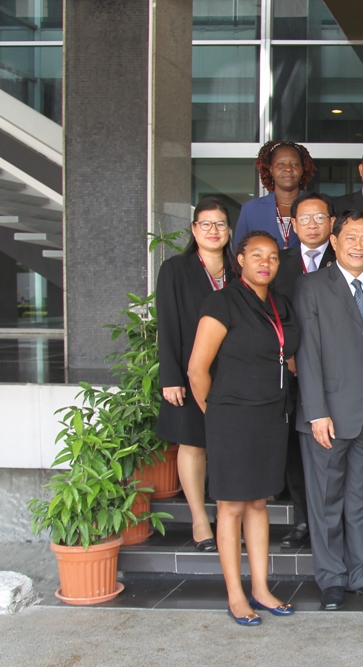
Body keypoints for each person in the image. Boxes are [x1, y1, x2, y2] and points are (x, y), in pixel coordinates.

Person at [188, 230, 300, 626]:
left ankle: (261, 589)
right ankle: (236, 595)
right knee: (232, 506)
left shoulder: (279, 304)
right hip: (232, 417)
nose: (265, 263)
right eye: (257, 255)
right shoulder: (223, 302)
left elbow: (288, 355)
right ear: (240, 259)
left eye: (272, 257)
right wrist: (217, 414)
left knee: (258, 504)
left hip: (270, 416)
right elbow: (197, 370)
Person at [293, 209, 363, 611]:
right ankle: (332, 578)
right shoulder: (312, 285)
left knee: (362, 498)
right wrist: (316, 412)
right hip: (328, 413)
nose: (358, 245)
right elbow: (308, 351)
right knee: (326, 499)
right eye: (350, 238)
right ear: (333, 242)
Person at [155, 197, 233, 553]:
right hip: (190, 372)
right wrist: (171, 377)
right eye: (206, 224)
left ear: (229, 230)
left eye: (220, 224)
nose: (213, 230)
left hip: (233, 372)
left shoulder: (238, 269)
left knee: (228, 442)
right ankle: (200, 520)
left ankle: (229, 515)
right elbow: (168, 325)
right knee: (193, 442)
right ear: (194, 229)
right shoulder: (176, 269)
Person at [270, 192, 339, 550]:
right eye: (305, 219)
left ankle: (334, 521)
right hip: (291, 373)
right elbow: (269, 313)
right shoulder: (276, 263)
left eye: (320, 218)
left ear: (332, 223)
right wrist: (289, 354)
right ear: (293, 225)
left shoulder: (346, 257)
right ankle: (303, 519)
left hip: (336, 374)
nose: (313, 225)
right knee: (296, 449)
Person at [233, 141, 317, 251]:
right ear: (271, 169)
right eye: (281, 164)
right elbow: (239, 252)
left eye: (295, 164)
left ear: (302, 169)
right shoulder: (250, 209)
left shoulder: (318, 206)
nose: (288, 168)